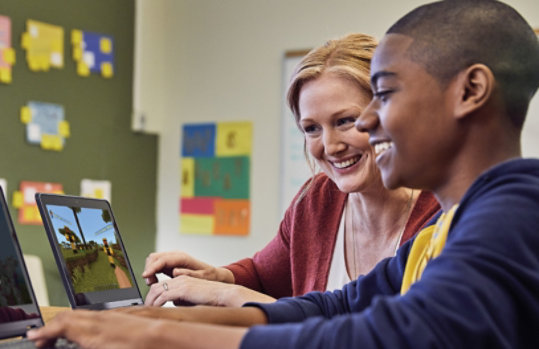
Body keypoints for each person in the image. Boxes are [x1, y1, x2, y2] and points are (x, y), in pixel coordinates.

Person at [27, 0, 539, 348]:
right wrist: (141, 319)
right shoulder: (450, 226)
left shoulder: (516, 209)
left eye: (384, 94)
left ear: (471, 91)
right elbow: (333, 307)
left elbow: (385, 335)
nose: (366, 122)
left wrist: (155, 337)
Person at [142, 33, 439, 307]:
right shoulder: (317, 200)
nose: (330, 145)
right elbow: (263, 276)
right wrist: (216, 277)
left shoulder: (444, 214)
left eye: (345, 121)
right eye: (311, 128)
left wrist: (227, 294)